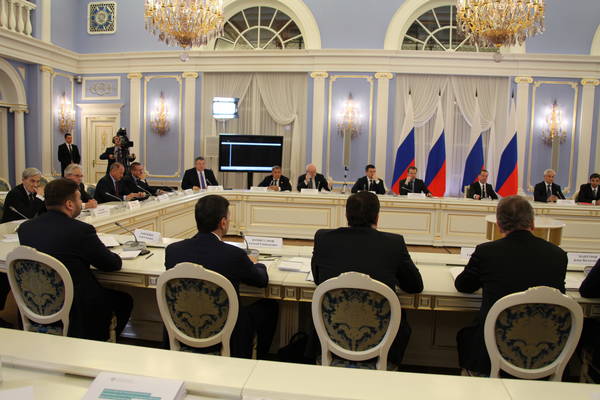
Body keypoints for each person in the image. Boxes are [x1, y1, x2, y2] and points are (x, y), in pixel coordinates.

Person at [454, 195, 567, 375]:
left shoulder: (486, 252)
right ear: (532, 223)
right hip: (547, 354)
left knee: (466, 335)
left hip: (490, 353)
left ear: (499, 225)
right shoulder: (558, 255)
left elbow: (463, 285)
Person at [311, 191, 423, 365]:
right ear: (377, 217)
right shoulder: (393, 243)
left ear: (346, 215)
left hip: (331, 343)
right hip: (384, 348)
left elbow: (319, 279)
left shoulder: (323, 238)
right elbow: (414, 286)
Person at [17, 178, 133, 341]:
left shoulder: (25, 228)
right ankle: (100, 343)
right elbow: (111, 264)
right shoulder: (81, 230)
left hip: (35, 304)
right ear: (70, 204)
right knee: (124, 301)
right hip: (76, 308)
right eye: (79, 199)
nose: (81, 203)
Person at [165, 195, 278, 359]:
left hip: (183, 330)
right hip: (229, 333)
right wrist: (256, 264)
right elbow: (261, 281)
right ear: (223, 223)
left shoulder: (173, 251)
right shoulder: (233, 255)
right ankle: (257, 361)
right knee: (270, 306)